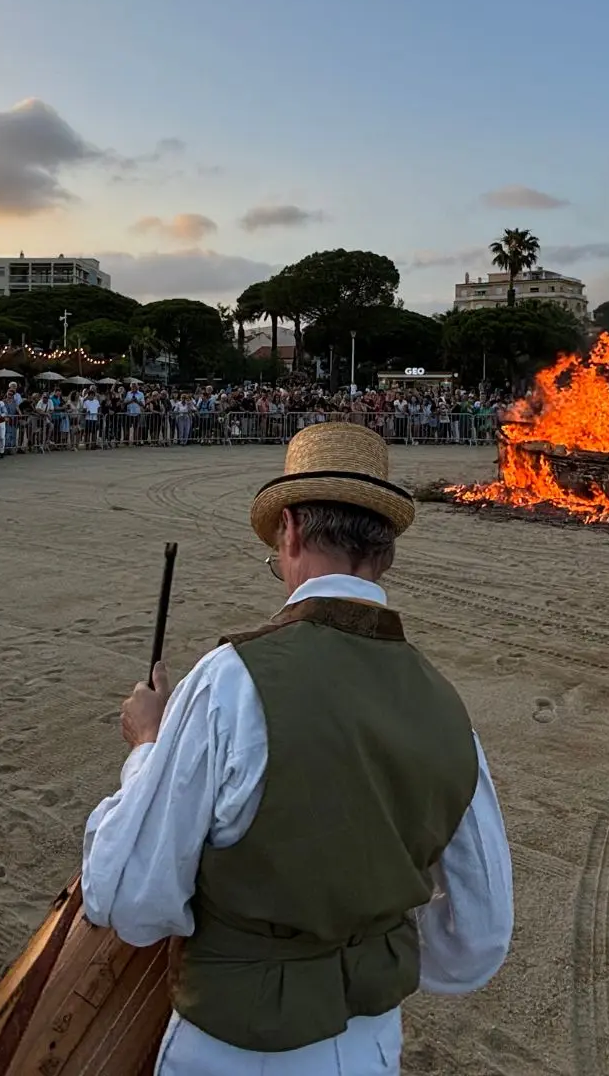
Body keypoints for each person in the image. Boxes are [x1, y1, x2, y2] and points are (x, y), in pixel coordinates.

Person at [81, 424, 512, 1073]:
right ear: (385, 550)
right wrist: (361, 949)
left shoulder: (229, 678)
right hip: (371, 1046)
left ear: (289, 531)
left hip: (232, 1049)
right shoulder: (447, 706)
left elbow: (128, 897)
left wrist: (147, 744)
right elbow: (477, 939)